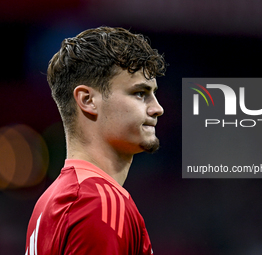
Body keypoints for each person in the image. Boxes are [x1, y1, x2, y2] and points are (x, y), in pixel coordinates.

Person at [25, 26, 166, 255]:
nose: (157, 108)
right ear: (88, 100)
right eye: (140, 93)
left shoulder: (48, 202)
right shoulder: (99, 202)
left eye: (154, 93)